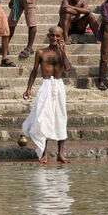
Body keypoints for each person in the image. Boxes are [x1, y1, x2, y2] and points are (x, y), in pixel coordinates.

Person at [22, 26, 71, 164]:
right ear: (48, 36)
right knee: (43, 118)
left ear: (61, 37)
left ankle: (61, 154)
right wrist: (28, 89)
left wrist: (63, 52)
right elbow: (34, 71)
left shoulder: (62, 53)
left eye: (57, 36)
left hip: (59, 86)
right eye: (52, 35)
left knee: (61, 117)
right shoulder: (41, 52)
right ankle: (43, 153)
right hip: (46, 86)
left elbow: (68, 69)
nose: (54, 38)